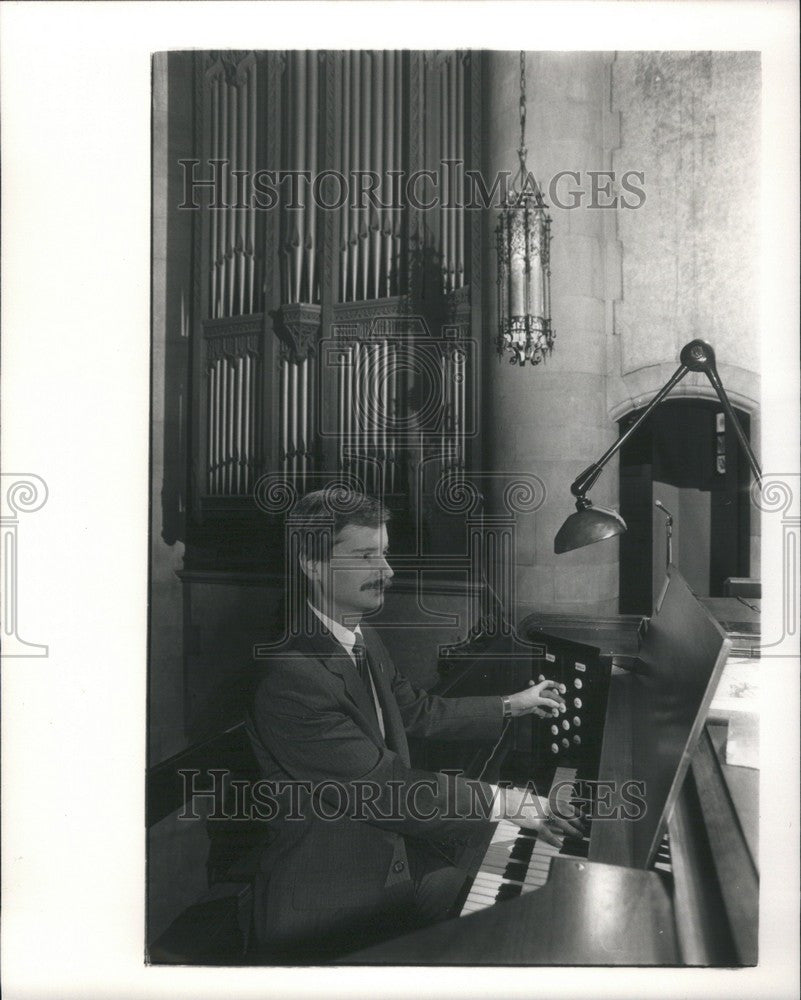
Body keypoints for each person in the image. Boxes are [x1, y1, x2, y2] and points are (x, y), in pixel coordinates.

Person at [245, 488, 581, 962]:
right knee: (512, 936)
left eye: (384, 553)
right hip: (328, 898)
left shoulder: (359, 634)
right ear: (312, 564)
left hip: (387, 855)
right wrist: (512, 803)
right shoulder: (290, 678)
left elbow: (418, 710)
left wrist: (512, 704)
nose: (387, 571)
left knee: (520, 901)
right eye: (365, 556)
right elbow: (387, 790)